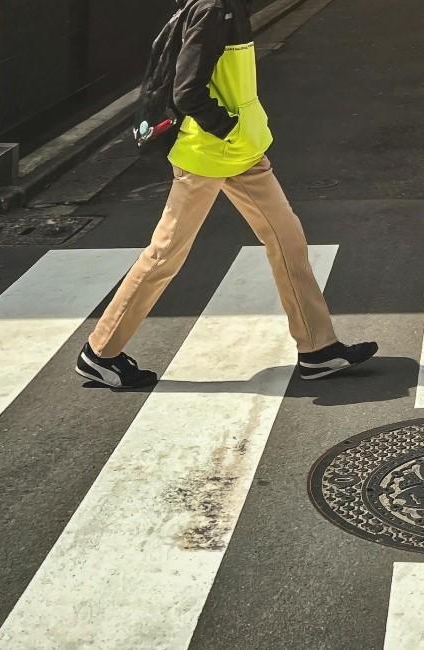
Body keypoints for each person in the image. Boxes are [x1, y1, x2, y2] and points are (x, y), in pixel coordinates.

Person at [76, 0, 377, 389]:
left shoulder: (229, 6)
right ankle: (100, 352)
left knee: (288, 239)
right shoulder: (214, 8)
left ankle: (318, 349)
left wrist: (237, 130)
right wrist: (226, 125)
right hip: (208, 154)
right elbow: (187, 90)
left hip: (241, 150)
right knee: (166, 253)